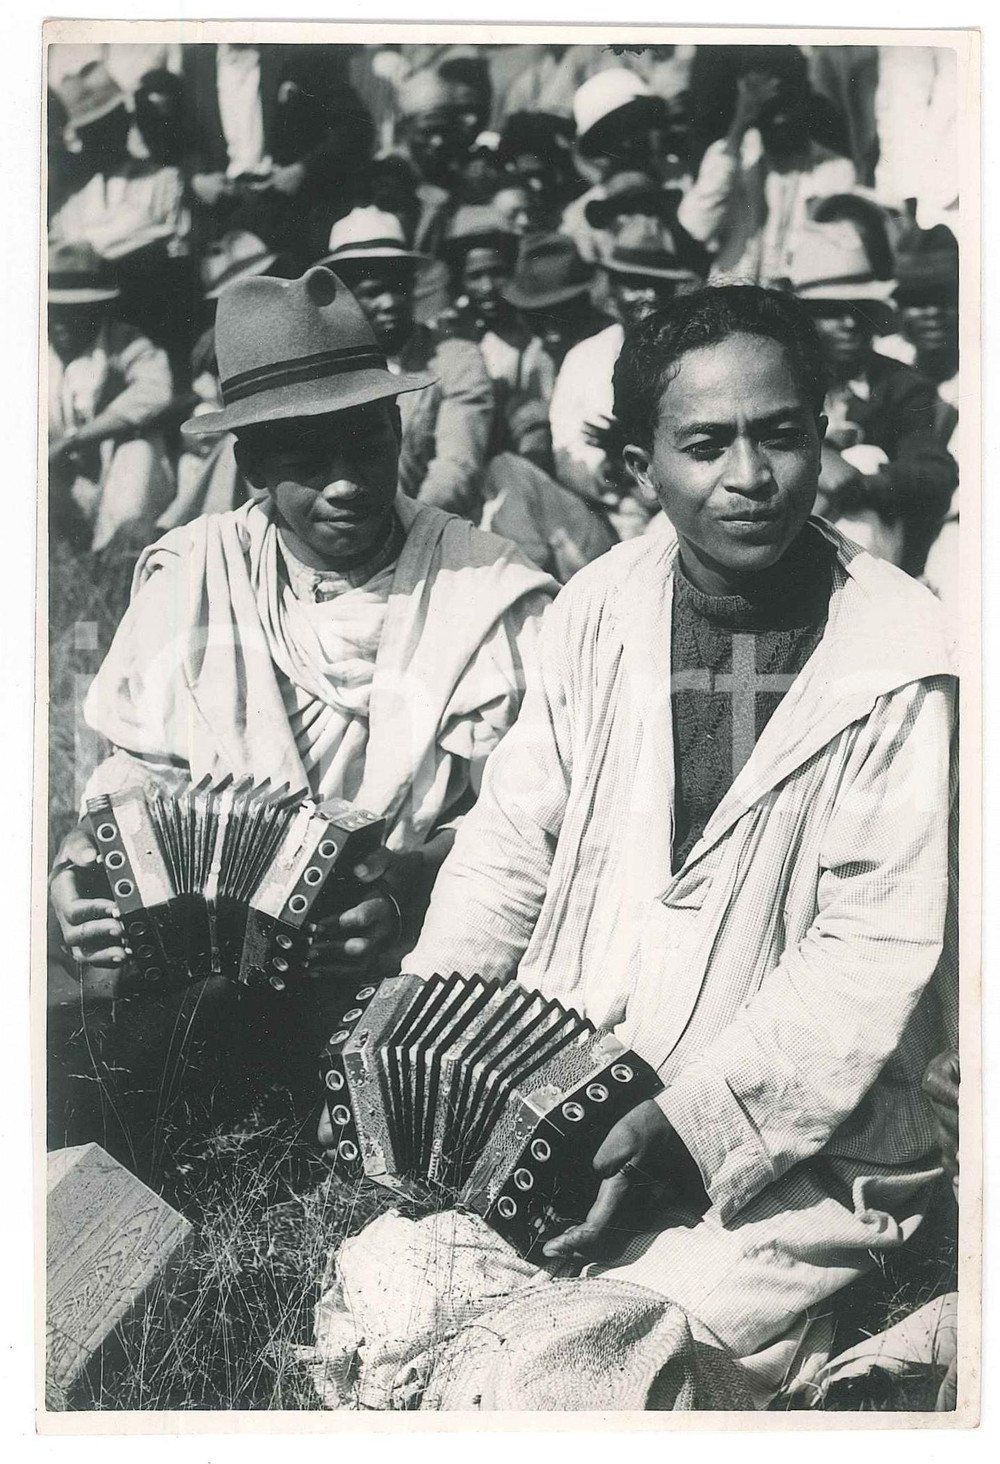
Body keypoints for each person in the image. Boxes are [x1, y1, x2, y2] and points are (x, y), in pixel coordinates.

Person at [319, 284, 956, 1410]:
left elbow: (869, 950)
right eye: (705, 445)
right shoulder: (597, 608)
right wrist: (430, 1045)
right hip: (564, 1094)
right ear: (636, 464)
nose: (750, 479)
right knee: (387, 1296)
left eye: (782, 435)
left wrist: (689, 1125)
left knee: (562, 1372)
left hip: (793, 1149)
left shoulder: (904, 657)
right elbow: (509, 847)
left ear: (822, 432)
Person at [48, 263, 555, 1162]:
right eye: (303, 462)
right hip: (204, 968)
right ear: (249, 466)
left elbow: (525, 820)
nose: (346, 484)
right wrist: (80, 882)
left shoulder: (486, 591)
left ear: (396, 427)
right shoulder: (193, 574)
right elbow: (132, 784)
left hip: (410, 956)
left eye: (365, 446)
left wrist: (406, 889)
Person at [790, 197, 957, 575]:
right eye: (833, 312)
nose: (850, 324)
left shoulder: (901, 385)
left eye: (858, 309)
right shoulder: (784, 379)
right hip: (784, 526)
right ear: (805, 317)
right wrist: (820, 460)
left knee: (866, 457)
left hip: (867, 544)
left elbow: (933, 473)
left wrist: (860, 485)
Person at [322, 206, 494, 519]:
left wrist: (405, 531)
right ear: (342, 297)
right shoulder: (324, 368)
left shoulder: (456, 359)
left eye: (398, 287)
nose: (390, 303)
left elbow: (457, 466)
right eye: (372, 293)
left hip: (424, 530)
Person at [549, 216, 703, 504]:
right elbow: (566, 451)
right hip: (600, 506)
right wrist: (608, 471)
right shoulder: (584, 357)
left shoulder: (694, 356)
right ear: (614, 288)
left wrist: (639, 446)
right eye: (636, 284)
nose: (650, 296)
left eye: (660, 285)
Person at [180, 42, 374, 259]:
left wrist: (302, 169)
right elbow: (186, 139)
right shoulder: (197, 59)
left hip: (288, 210)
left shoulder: (298, 52)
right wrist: (196, 180)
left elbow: (355, 126)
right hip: (224, 212)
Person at [48, 241, 175, 553]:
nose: (61, 322)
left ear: (95, 307)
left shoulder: (124, 342)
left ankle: (119, 549)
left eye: (73, 310)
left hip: (111, 476)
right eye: (54, 309)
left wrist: (75, 440)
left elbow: (155, 392)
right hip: (59, 480)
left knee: (139, 450)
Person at [677, 65, 856, 284]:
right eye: (770, 110)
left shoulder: (835, 170)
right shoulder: (732, 157)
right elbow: (697, 226)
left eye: (788, 106)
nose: (780, 120)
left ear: (806, 102)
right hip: (732, 298)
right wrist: (738, 128)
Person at [561, 70, 675, 263]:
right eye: (612, 134)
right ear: (598, 147)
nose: (629, 142)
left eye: (636, 126)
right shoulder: (579, 218)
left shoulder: (684, 184)